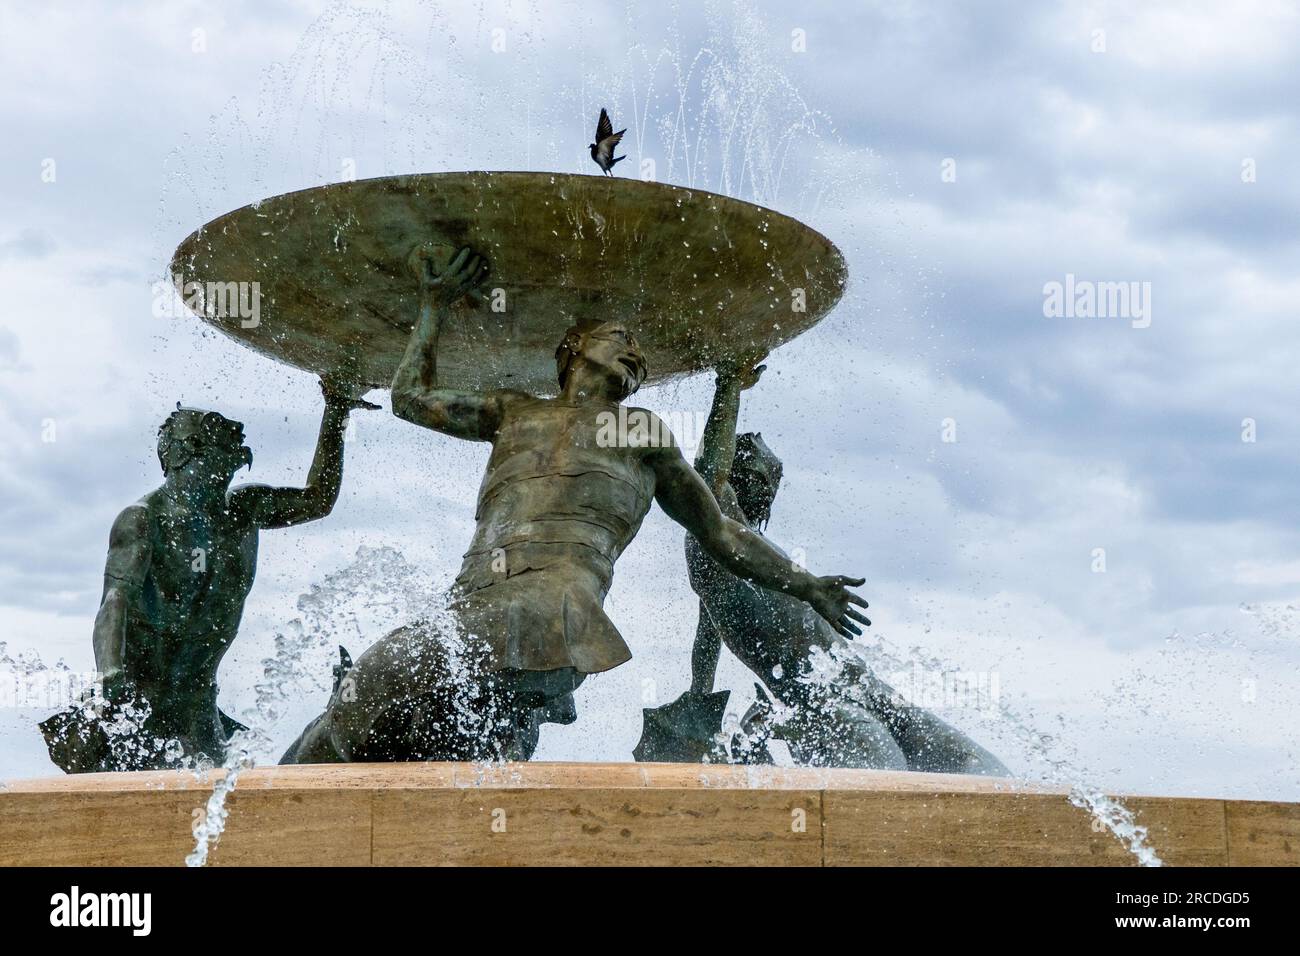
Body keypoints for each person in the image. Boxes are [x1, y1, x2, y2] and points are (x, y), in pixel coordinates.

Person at [280, 246, 870, 764]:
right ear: (572, 348)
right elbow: (409, 398)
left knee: (368, 702)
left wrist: (807, 585)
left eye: (639, 352)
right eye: (620, 341)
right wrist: (434, 305)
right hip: (468, 613)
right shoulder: (514, 411)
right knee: (358, 732)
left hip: (548, 615)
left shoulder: (640, 432)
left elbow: (722, 531)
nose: (636, 354)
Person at [634, 360, 1008, 774]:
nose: (771, 480)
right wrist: (730, 385)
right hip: (818, 701)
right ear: (735, 476)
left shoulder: (751, 558)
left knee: (979, 767)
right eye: (760, 471)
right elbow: (708, 478)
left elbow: (709, 627)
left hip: (863, 686)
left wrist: (699, 692)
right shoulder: (714, 540)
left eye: (773, 475)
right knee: (887, 778)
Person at [40, 379, 374, 772]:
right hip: (134, 711)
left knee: (221, 818)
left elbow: (317, 500)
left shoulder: (245, 510)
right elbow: (115, 601)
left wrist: (335, 412)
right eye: (222, 444)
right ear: (185, 453)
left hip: (197, 709)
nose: (238, 453)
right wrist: (109, 672)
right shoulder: (145, 519)